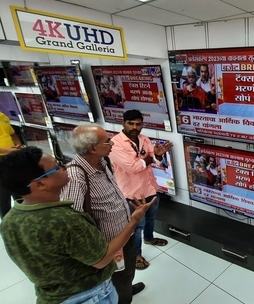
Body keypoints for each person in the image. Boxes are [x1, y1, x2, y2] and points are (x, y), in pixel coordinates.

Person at [0, 146, 154, 304]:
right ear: (39, 184)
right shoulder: (66, 220)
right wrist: (134, 220)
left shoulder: (10, 220)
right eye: (57, 168)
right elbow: (101, 259)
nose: (66, 167)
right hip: (91, 296)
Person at [60, 124, 145, 303]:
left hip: (124, 235)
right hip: (108, 244)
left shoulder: (102, 162)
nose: (112, 144)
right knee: (115, 278)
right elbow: (72, 221)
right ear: (92, 148)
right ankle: (123, 297)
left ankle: (126, 288)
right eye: (107, 141)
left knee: (126, 272)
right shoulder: (76, 176)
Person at [109, 110, 173, 271]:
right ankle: (136, 254)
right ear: (123, 123)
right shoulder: (115, 143)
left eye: (138, 124)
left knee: (151, 218)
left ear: (142, 124)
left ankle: (149, 238)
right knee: (137, 226)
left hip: (150, 188)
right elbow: (132, 167)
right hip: (132, 194)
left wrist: (158, 156)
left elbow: (156, 162)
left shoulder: (144, 139)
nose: (134, 127)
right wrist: (151, 158)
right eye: (131, 123)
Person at [0, 111, 24, 218]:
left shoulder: (3, 116)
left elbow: (12, 134)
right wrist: (6, 150)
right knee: (3, 195)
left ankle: (23, 219)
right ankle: (7, 223)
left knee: (19, 189)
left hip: (12, 158)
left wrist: (17, 143)